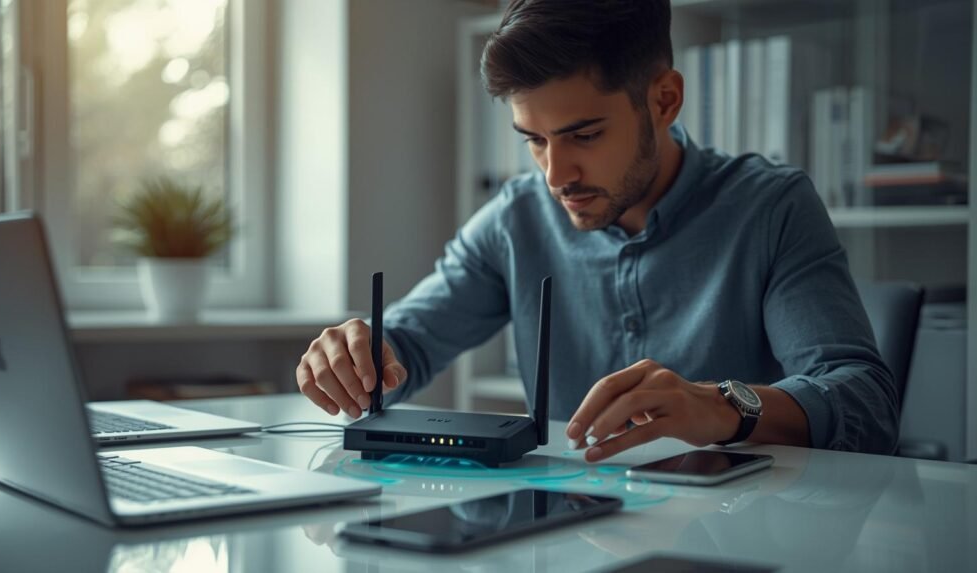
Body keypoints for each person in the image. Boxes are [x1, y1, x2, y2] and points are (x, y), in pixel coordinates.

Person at [296, 0, 899, 460]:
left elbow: (864, 403)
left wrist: (722, 405)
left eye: (584, 135)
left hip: (740, 537)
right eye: (534, 140)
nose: (556, 175)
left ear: (664, 100)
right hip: (562, 538)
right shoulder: (516, 218)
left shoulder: (770, 207)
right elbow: (412, 340)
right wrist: (361, 354)